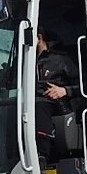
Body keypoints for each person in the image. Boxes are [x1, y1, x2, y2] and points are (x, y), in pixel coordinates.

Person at [35, 26, 79, 163]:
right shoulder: (23, 61)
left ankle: (41, 155)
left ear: (39, 38)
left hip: (56, 100)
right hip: (29, 98)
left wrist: (65, 90)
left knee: (37, 106)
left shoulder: (61, 59)